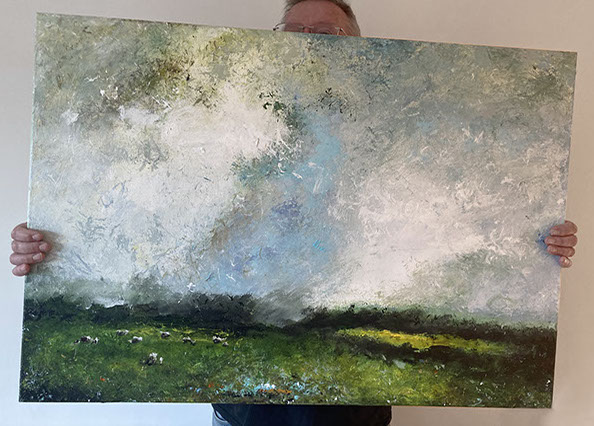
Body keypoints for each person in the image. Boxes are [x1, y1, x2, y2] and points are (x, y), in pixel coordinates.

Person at [10, 1, 579, 425]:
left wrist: (534, 244)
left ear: (362, 43)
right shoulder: (225, 122)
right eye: (294, 31)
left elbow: (468, 218)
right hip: (241, 415)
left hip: (353, 417)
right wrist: (55, 249)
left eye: (327, 32)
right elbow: (137, 212)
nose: (308, 42)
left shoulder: (397, 128)